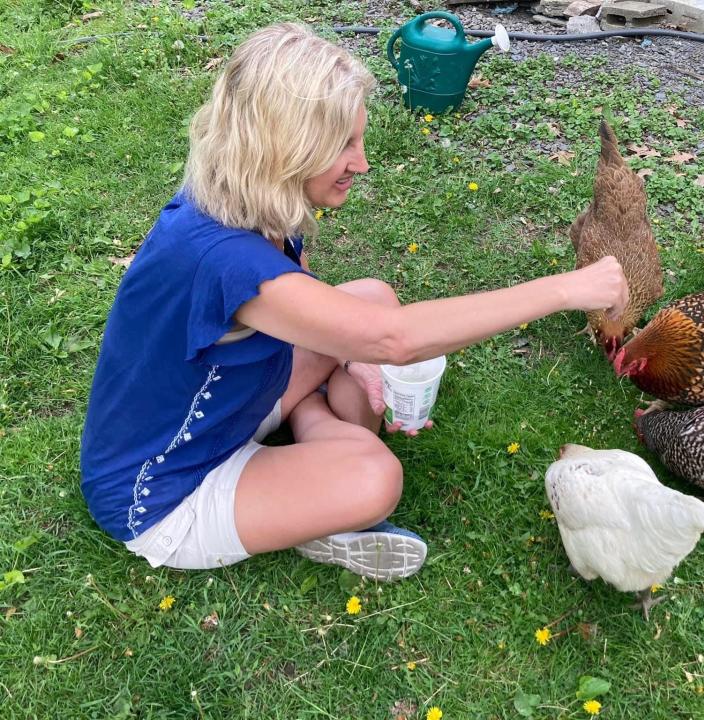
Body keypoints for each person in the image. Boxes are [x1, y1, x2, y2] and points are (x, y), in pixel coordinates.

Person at [80, 22, 628, 580]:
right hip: (169, 489)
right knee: (375, 477)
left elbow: (339, 315)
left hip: (228, 404)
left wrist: (356, 345)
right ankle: (310, 468)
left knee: (372, 299)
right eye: (343, 144)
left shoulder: (245, 198)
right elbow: (396, 341)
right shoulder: (225, 260)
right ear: (284, 146)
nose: (361, 163)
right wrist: (567, 288)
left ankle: (305, 428)